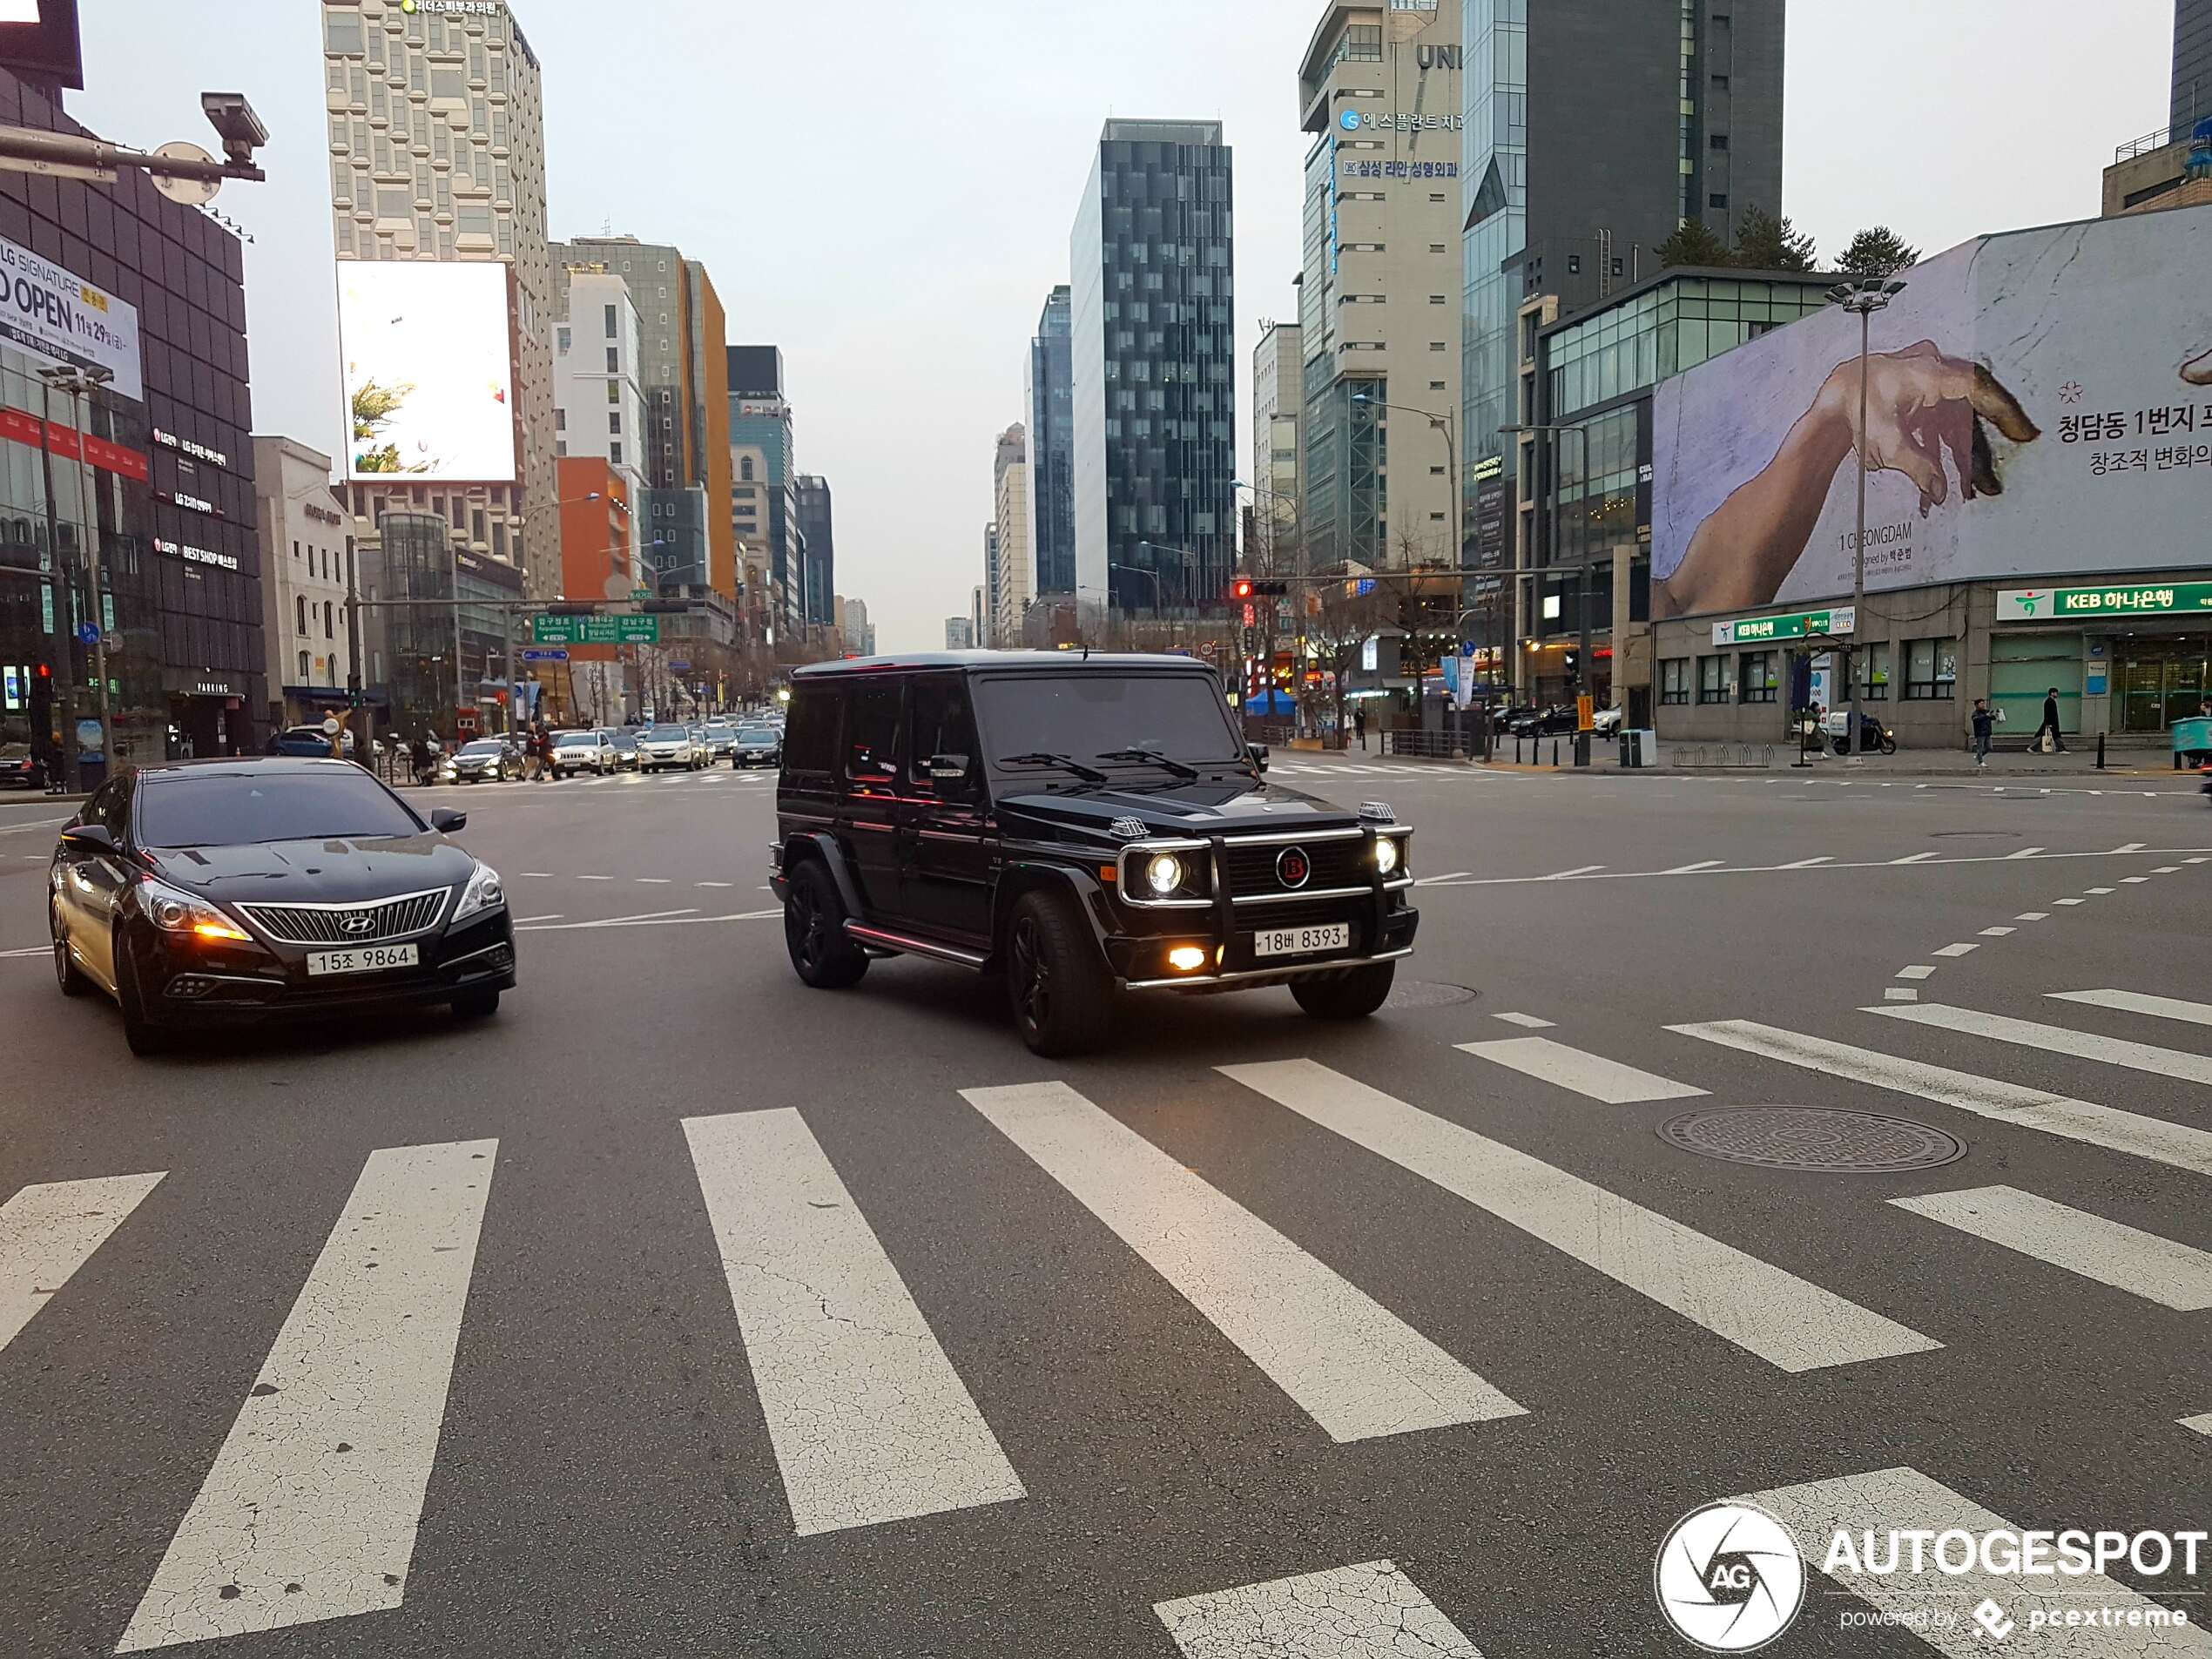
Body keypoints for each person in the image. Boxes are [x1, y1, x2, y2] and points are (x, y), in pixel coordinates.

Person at [2033, 686, 2067, 754]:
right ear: (2052, 693)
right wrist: (2049, 723)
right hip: (2051, 723)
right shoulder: (2049, 702)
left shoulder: (2050, 701)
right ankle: (2061, 749)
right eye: (2056, 693)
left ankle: (2032, 748)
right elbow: (2049, 713)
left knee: (2046, 735)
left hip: (2050, 722)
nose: (2057, 694)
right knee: (2055, 736)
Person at [1970, 698, 1997, 769]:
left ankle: (1979, 756)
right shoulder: (1975, 714)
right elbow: (1977, 720)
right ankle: (1980, 762)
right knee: (1980, 747)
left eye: (1983, 703)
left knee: (1989, 747)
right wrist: (1986, 716)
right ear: (1976, 705)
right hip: (1980, 733)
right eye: (1981, 704)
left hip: (1988, 732)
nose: (1983, 705)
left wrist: (1995, 715)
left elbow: (1992, 718)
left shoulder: (1986, 712)